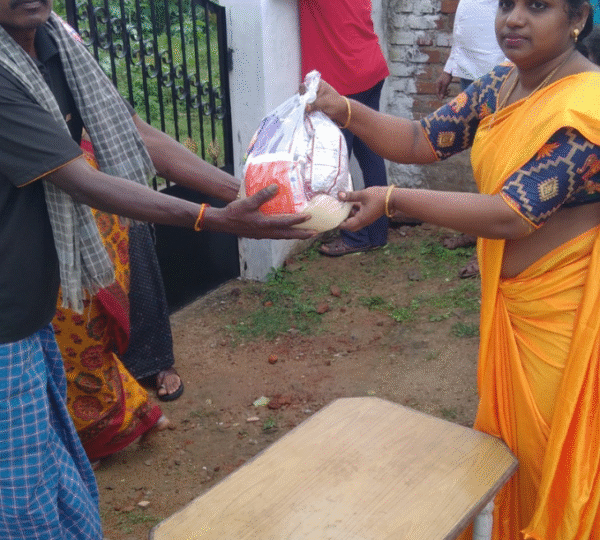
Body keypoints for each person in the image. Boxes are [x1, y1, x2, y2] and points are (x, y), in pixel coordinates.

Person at [0, 1, 314, 536]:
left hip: (35, 303)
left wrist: (250, 194)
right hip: (8, 318)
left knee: (56, 464)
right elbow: (81, 180)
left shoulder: (57, 44)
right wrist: (213, 218)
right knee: (22, 495)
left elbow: (137, 134)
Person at [309, 0, 600, 536]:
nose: (514, 19)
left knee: (550, 457)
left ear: (578, 18)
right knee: (509, 453)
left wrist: (394, 199)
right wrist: (342, 107)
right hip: (511, 305)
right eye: (507, 4)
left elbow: (513, 213)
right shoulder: (502, 85)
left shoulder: (588, 107)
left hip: (564, 316)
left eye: (537, 6)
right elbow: (420, 139)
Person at [298, 0, 390, 256]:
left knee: (337, 164)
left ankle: (355, 236)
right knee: (371, 154)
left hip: (344, 80)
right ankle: (377, 232)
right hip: (369, 68)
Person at [435, 0, 507, 278]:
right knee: (480, 158)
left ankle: (489, 243)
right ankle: (479, 228)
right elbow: (464, 24)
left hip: (498, 76)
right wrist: (450, 67)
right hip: (471, 75)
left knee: (497, 160)